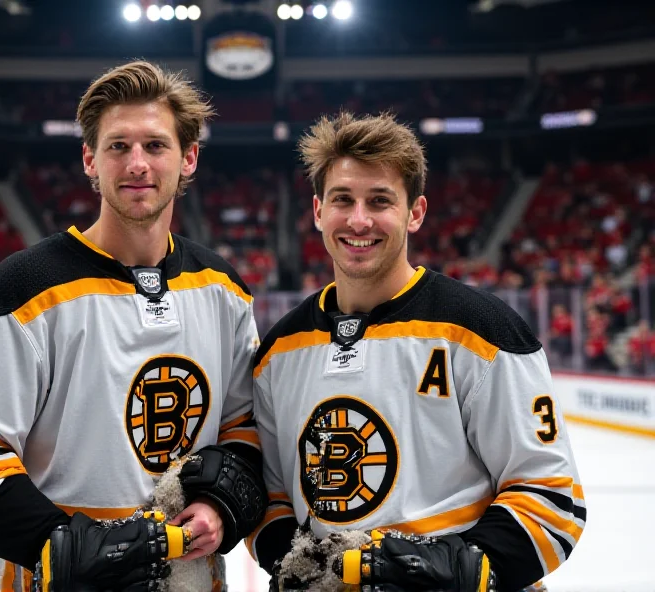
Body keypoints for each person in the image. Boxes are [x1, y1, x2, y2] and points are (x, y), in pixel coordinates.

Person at [0, 60, 266, 592]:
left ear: (189, 158)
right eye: (117, 146)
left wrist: (218, 506)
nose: (137, 164)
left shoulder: (224, 290)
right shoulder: (23, 289)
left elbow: (245, 433)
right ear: (89, 159)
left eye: (155, 146)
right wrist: (67, 547)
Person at [248, 111, 585, 592]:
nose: (359, 219)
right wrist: (299, 567)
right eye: (343, 199)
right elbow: (274, 496)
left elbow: (552, 496)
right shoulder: (279, 350)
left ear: (416, 212)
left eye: (380, 201)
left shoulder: (482, 332)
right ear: (319, 211)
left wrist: (467, 569)